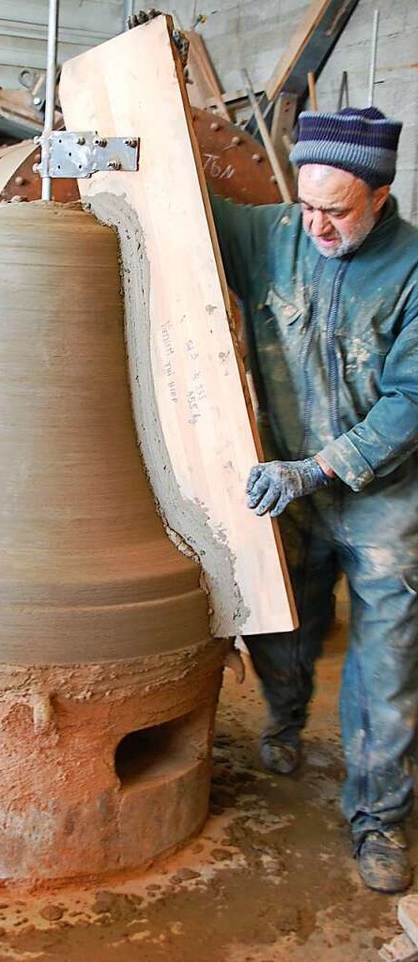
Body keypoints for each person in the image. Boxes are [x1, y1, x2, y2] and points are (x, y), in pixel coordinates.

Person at [208, 107, 418, 894]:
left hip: (383, 496)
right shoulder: (278, 236)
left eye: (337, 209)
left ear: (380, 194)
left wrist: (320, 469)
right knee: (287, 625)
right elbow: (195, 207)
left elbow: (409, 402)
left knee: (386, 664)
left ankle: (379, 818)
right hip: (289, 485)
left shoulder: (413, 270)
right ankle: (286, 722)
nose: (318, 225)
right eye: (307, 205)